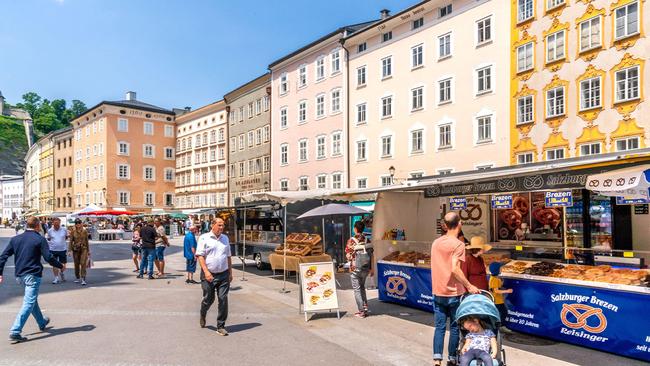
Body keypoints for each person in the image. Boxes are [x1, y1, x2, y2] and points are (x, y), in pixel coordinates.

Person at [0, 217, 63, 343]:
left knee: (31, 300)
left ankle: (41, 321)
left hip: (20, 275)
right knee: (29, 302)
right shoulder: (40, 239)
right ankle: (15, 330)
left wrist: (0, 272)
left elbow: (3, 256)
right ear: (37, 226)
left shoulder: (15, 239)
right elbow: (48, 257)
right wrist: (60, 265)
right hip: (33, 275)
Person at [431, 212, 480, 366]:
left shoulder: (436, 243)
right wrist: (469, 286)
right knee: (454, 327)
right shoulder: (458, 244)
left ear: (444, 225)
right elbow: (455, 269)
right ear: (459, 224)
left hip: (438, 291)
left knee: (439, 327)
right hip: (454, 292)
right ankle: (452, 358)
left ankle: (437, 360)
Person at [196, 218, 232, 336]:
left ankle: (220, 326)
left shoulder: (225, 238)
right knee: (209, 299)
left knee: (223, 299)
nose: (222, 228)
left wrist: (230, 272)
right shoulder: (204, 237)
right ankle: (203, 312)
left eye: (223, 225)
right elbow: (200, 256)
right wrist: (206, 272)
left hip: (223, 274)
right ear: (213, 225)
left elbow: (228, 256)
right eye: (219, 225)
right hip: (208, 274)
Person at [345, 220, 373, 318]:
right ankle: (365, 307)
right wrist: (371, 268)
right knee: (362, 287)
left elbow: (348, 255)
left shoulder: (351, 240)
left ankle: (361, 312)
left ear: (355, 229)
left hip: (355, 269)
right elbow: (371, 255)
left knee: (357, 289)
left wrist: (350, 257)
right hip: (365, 268)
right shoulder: (367, 240)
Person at [46, 218, 68, 284]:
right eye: (55, 223)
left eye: (58, 223)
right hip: (53, 249)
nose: (56, 225)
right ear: (53, 223)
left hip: (62, 249)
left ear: (60, 223)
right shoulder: (50, 231)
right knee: (54, 264)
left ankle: (61, 272)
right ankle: (56, 278)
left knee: (63, 264)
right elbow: (49, 238)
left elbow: (66, 237)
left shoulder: (64, 229)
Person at [69, 219, 89, 286]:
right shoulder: (73, 231)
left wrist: (89, 251)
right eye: (76, 223)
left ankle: (83, 278)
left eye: (79, 223)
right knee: (76, 264)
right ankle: (77, 277)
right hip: (76, 249)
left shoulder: (85, 231)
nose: (78, 224)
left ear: (81, 223)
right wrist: (69, 250)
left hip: (84, 249)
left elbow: (87, 241)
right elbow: (71, 241)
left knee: (83, 263)